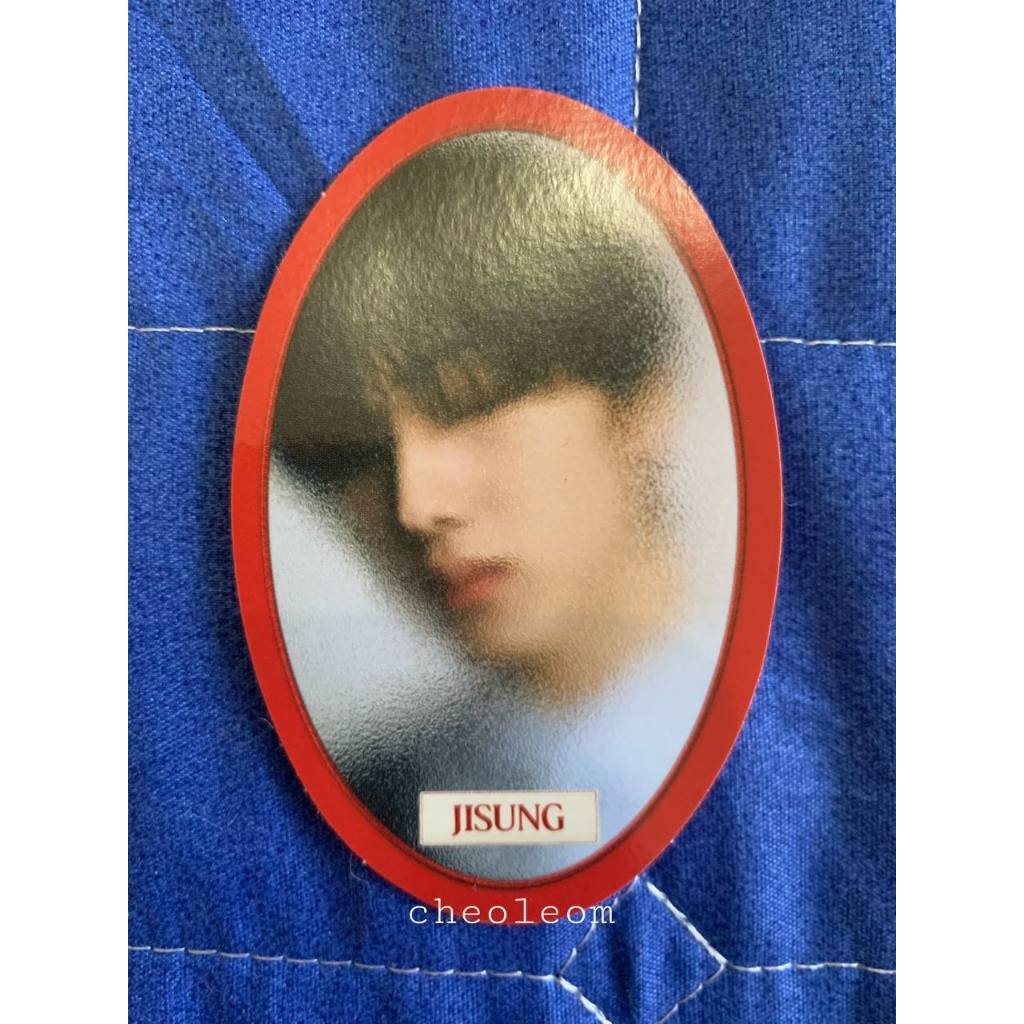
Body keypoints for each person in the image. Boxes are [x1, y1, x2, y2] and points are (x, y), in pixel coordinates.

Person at [269, 129, 737, 877]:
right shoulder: (360, 808)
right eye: (351, 458)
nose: (416, 505)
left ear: (640, 401)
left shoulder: (813, 756)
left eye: (466, 400)